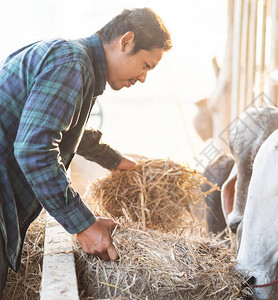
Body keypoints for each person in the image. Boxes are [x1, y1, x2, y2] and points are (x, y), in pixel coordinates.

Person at [0, 7, 172, 295]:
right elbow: (34, 149)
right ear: (126, 42)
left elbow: (61, 126)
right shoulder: (72, 63)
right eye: (146, 65)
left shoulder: (73, 59)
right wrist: (83, 224)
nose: (143, 78)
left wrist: (113, 160)